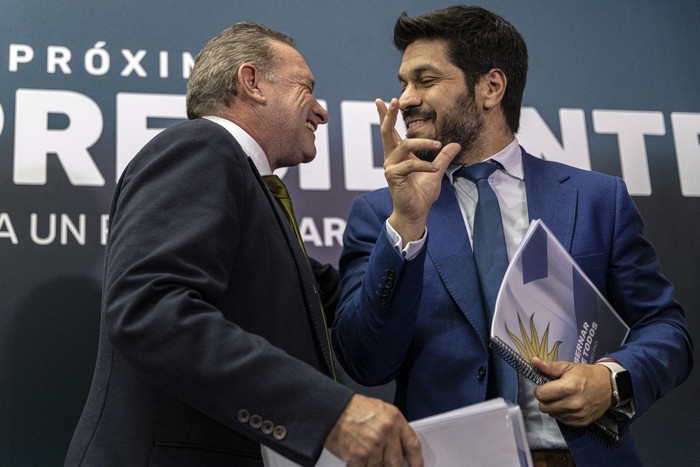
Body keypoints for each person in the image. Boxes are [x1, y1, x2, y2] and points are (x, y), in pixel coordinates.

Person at [332, 5, 693, 466]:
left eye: (424, 80)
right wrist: (406, 225)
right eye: (403, 82)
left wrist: (612, 380)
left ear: (491, 87)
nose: (404, 99)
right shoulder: (381, 214)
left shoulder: (598, 198)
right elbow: (366, 362)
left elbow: (667, 330)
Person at [65, 22, 422, 467]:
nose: (321, 112)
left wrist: (407, 221)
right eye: (306, 89)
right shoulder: (201, 147)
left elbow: (346, 309)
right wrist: (328, 414)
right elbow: (149, 310)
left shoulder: (253, 193)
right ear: (251, 82)